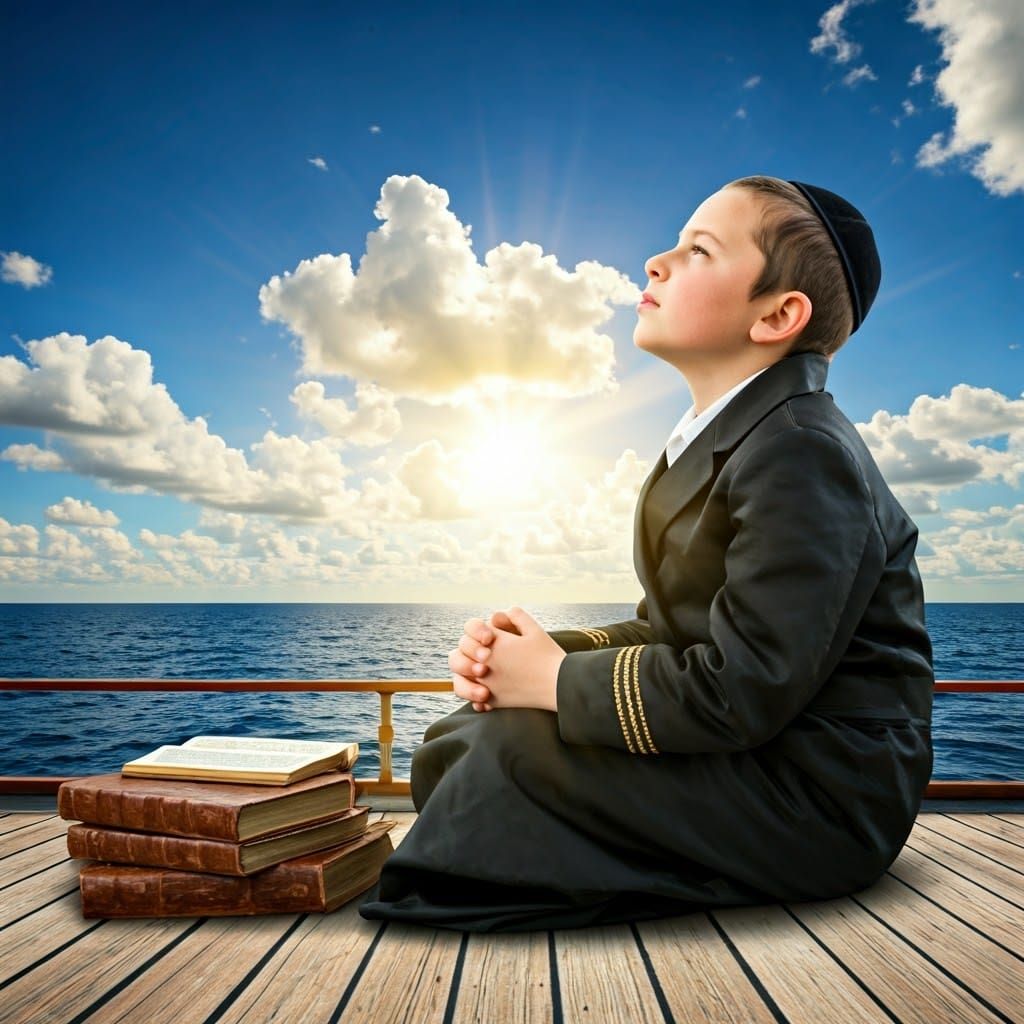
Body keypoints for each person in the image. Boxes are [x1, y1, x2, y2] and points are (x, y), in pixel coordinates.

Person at [357, 175, 935, 933]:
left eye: (697, 251)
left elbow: (741, 687)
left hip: (820, 795)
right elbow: (672, 631)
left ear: (778, 315)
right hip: (758, 751)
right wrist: (535, 655)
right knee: (458, 736)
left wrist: (558, 683)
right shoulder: (735, 440)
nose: (656, 261)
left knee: (506, 758)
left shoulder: (801, 452)